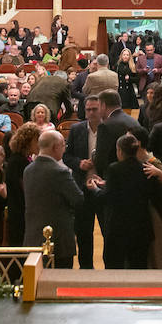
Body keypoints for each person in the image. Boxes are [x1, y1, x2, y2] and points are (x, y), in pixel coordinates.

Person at [99, 133, 162, 269]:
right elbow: (159, 198)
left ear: (119, 150)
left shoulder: (114, 169)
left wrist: (95, 189)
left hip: (118, 228)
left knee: (114, 268)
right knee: (139, 268)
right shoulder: (147, 169)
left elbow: (108, 197)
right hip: (141, 228)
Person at [23, 129, 85, 267]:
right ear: (55, 147)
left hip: (33, 237)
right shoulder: (59, 171)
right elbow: (78, 200)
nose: (64, 150)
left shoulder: (28, 170)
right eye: (63, 146)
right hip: (58, 239)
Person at [63, 94, 102, 268]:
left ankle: (112, 271)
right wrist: (79, 163)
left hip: (103, 187)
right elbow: (66, 156)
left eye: (94, 109)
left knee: (108, 231)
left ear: (101, 109)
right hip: (82, 187)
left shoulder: (108, 129)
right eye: (88, 110)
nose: (91, 113)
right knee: (83, 232)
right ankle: (86, 268)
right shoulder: (76, 129)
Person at [4, 123, 41, 246]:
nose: (39, 144)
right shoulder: (18, 162)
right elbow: (26, 191)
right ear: (27, 141)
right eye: (36, 140)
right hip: (20, 216)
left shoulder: (23, 159)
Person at [92, 89, 141, 180]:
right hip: (134, 175)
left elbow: (101, 160)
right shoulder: (133, 121)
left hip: (114, 177)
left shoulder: (105, 126)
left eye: (98, 106)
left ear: (103, 105)